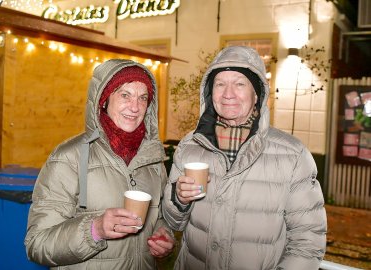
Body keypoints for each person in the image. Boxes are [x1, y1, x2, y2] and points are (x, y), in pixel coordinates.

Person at [162, 46, 327, 270]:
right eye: (220, 84)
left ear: (257, 93)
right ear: (210, 93)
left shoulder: (292, 155)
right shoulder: (190, 146)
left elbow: (308, 241)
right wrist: (179, 199)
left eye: (239, 84)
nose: (228, 93)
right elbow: (173, 222)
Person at [25, 59, 175, 269]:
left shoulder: (152, 159)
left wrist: (162, 235)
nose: (135, 107)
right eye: (125, 95)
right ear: (104, 99)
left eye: (143, 98)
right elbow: (37, 244)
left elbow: (156, 217)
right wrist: (94, 229)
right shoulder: (69, 157)